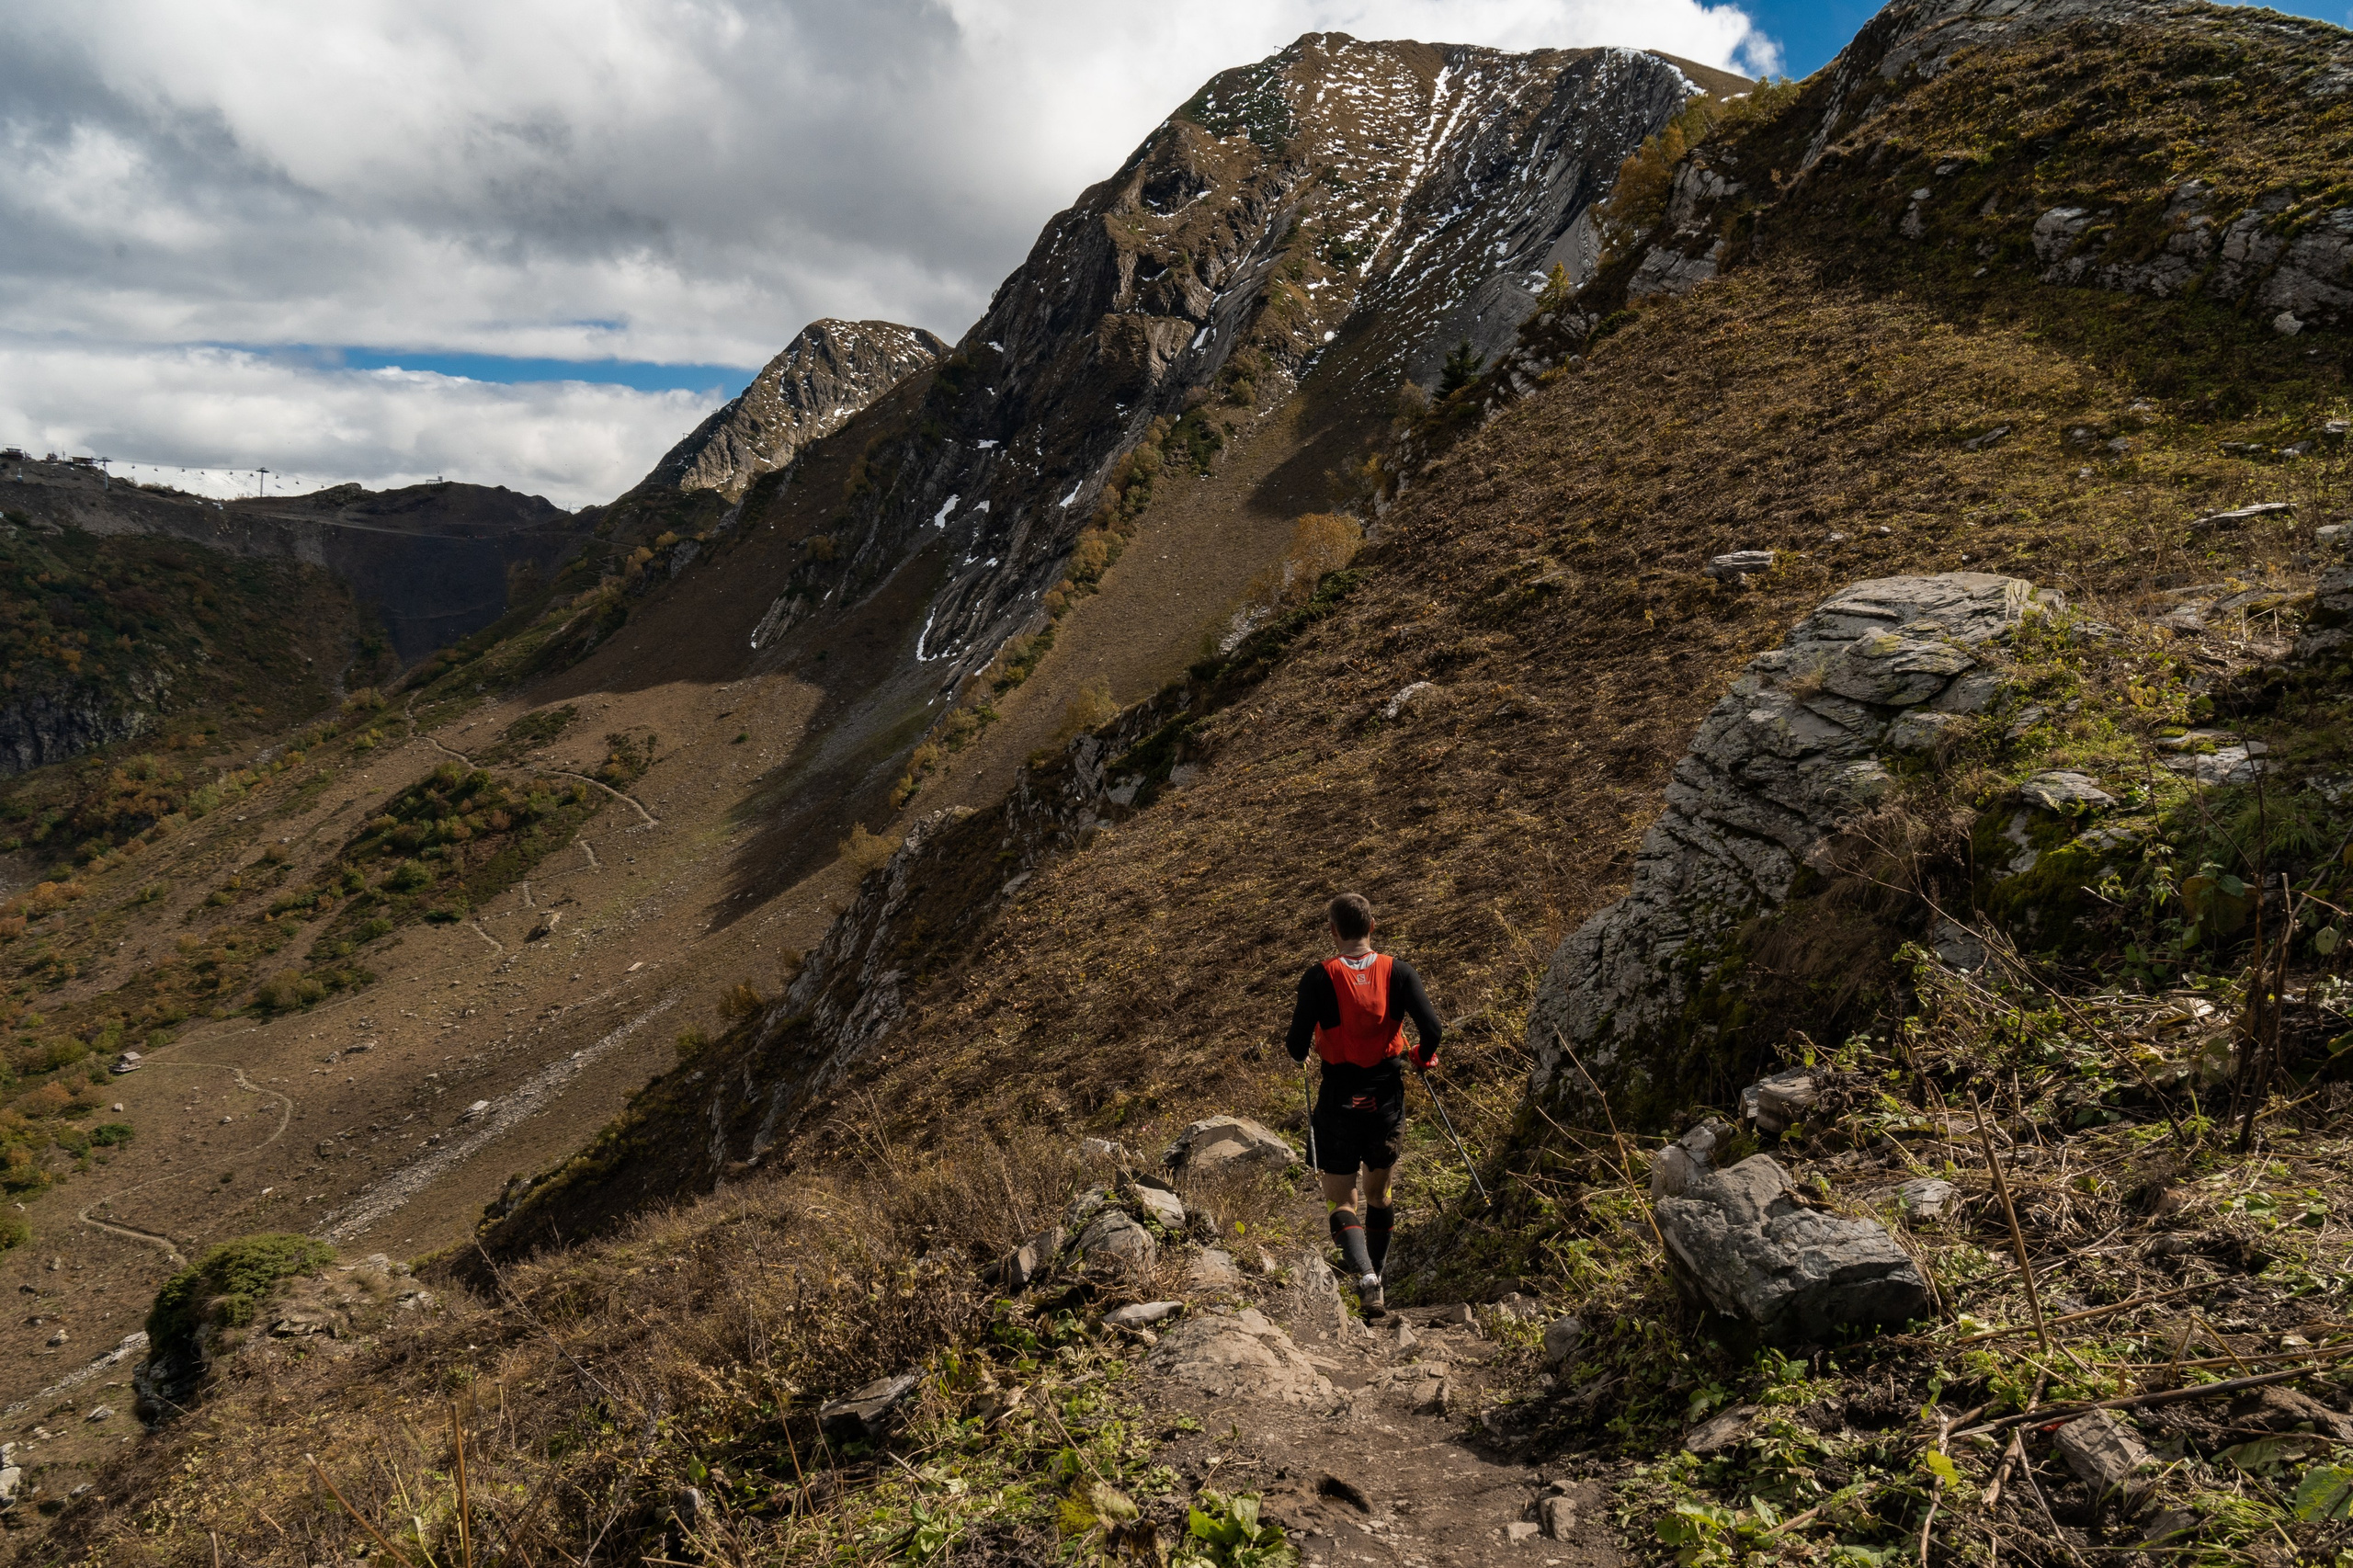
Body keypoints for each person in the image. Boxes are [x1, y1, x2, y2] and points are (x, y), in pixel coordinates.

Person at [1283, 892, 1440, 1318]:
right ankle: (1379, 1274)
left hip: (1338, 1099)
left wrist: (1304, 1048)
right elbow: (1432, 1027)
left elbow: (1296, 1045)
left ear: (1332, 931)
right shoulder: (1400, 972)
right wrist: (1423, 1057)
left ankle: (1366, 1279)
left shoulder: (1318, 978)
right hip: (1386, 1096)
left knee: (1340, 1201)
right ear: (1372, 926)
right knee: (1379, 1192)